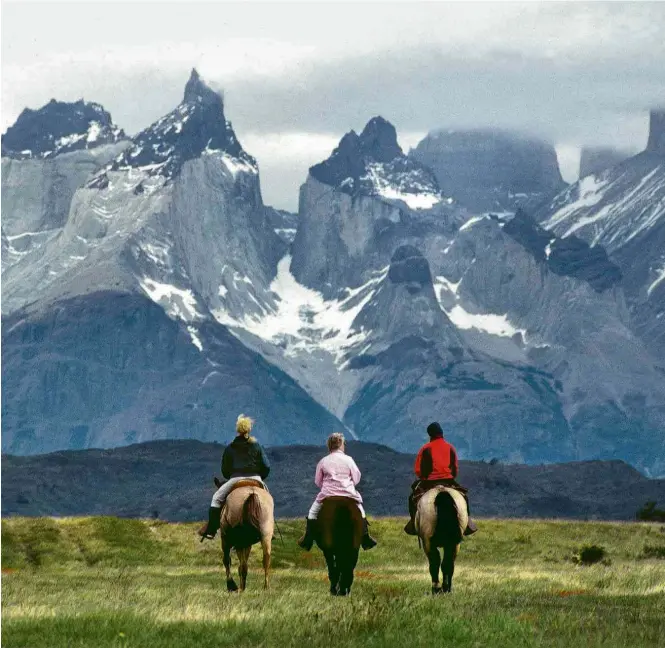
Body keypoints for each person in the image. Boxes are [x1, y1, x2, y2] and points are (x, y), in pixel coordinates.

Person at [297, 432, 377, 551]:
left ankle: (307, 539)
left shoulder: (323, 461)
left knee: (312, 512)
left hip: (327, 496)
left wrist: (327, 486)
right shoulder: (349, 460)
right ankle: (365, 537)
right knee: (361, 511)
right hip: (349, 495)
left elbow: (317, 482)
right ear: (341, 445)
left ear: (330, 445)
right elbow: (357, 477)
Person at [198, 414, 270, 541]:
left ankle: (212, 530)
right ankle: (268, 529)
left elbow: (225, 470)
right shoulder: (257, 446)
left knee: (216, 499)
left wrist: (230, 476)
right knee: (268, 501)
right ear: (249, 429)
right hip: (256, 478)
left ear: (238, 430)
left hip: (236, 478)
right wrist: (260, 477)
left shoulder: (230, 448)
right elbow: (266, 466)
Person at [404, 422, 477, 536]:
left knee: (412, 498)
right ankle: (468, 523)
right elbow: (455, 469)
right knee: (464, 497)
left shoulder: (425, 448)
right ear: (441, 433)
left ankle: (414, 523)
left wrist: (424, 477)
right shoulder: (450, 447)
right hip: (448, 480)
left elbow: (418, 469)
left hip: (429, 482)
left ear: (430, 435)